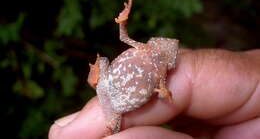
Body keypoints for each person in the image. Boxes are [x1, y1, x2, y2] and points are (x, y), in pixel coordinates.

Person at [49, 49, 260, 139]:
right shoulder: (148, 55)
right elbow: (123, 36)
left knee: (112, 130)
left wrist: (164, 92)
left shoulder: (160, 71)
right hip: (111, 93)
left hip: (114, 100)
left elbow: (164, 93)